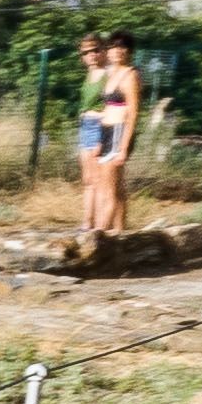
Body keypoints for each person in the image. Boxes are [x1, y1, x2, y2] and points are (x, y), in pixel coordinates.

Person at [75, 32, 145, 249]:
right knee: (114, 186)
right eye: (113, 47)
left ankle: (99, 237)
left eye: (122, 47)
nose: (117, 51)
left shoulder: (130, 75)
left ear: (129, 52)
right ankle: (118, 232)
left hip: (118, 132)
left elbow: (133, 113)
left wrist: (123, 147)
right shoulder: (112, 73)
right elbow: (106, 107)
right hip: (105, 132)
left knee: (108, 189)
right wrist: (98, 143)